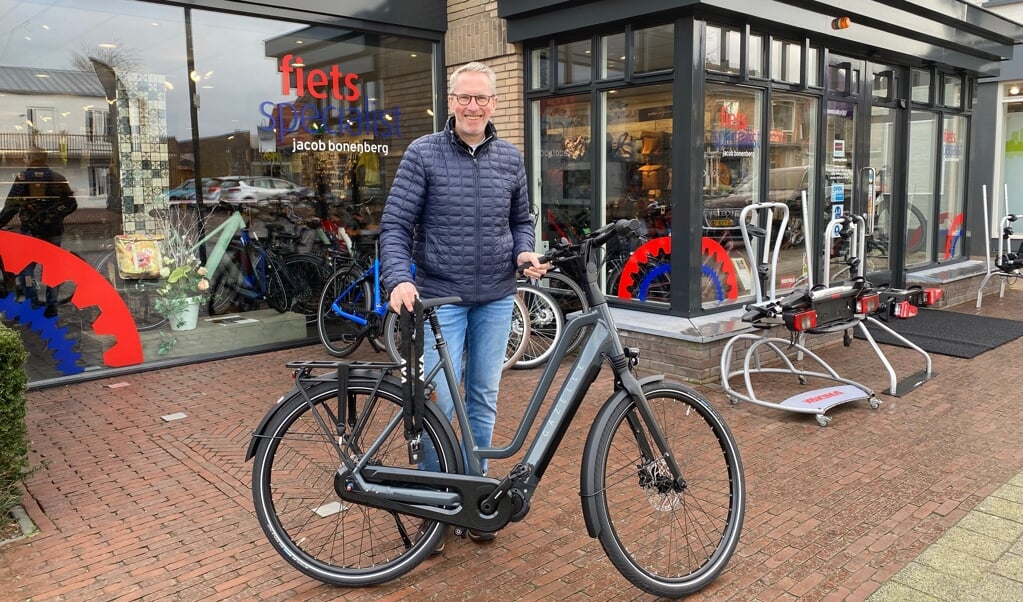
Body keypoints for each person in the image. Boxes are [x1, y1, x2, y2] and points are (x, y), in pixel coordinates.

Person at [379, 61, 548, 543]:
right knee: (439, 401)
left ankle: (472, 501)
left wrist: (524, 249)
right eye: (464, 97)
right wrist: (397, 280)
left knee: (483, 398)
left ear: (494, 104)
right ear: (450, 101)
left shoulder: (510, 158)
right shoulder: (423, 153)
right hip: (442, 297)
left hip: (495, 295)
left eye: (482, 98)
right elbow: (394, 227)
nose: (473, 106)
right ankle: (436, 509)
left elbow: (522, 220)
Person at [0, 147, 78, 317]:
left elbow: (11, 206)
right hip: (54, 233)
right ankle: (51, 306)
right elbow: (72, 204)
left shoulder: (23, 178)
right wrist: (51, 216)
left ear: (30, 158)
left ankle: (33, 303)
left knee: (27, 269)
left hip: (31, 235)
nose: (23, 160)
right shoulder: (58, 178)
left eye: (25, 157)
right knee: (52, 268)